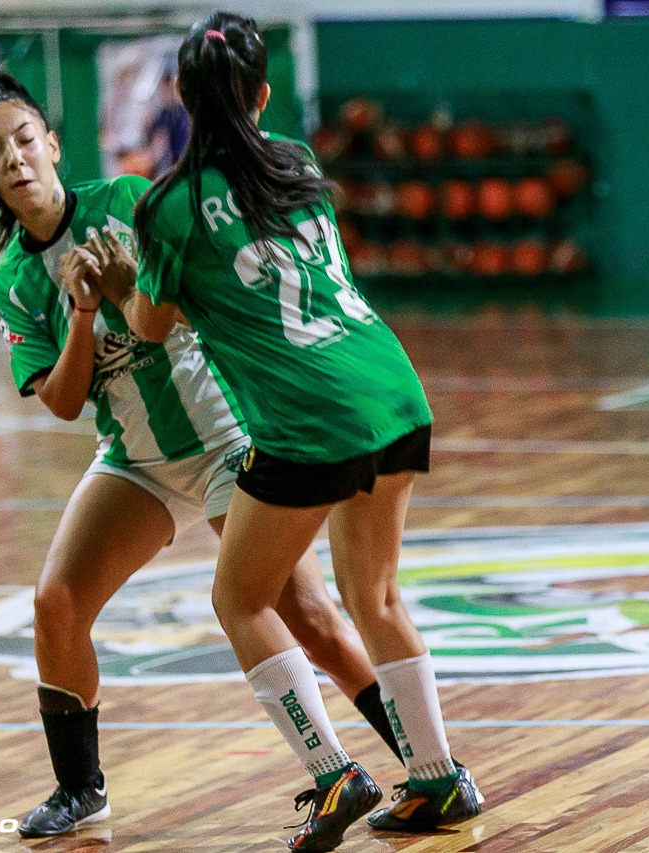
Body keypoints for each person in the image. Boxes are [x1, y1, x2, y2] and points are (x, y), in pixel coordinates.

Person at [0, 71, 414, 840]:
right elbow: (62, 399)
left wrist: (124, 290)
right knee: (56, 602)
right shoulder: (14, 277)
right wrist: (84, 310)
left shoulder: (127, 203)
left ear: (52, 143)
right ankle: (80, 790)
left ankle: (423, 765)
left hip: (228, 436)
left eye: (25, 139)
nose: (15, 158)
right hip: (138, 458)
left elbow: (197, 302)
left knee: (314, 617)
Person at [88, 13, 481, 852]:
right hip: (391, 385)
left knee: (240, 597)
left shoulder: (167, 205)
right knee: (375, 596)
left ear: (181, 100)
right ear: (263, 94)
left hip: (309, 416)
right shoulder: (297, 161)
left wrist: (121, 282)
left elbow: (153, 326)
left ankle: (334, 770)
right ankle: (439, 779)